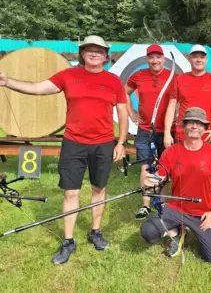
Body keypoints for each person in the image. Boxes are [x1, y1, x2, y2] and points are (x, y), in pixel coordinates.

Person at [0, 35, 128, 264]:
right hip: (73, 142)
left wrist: (120, 142)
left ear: (106, 55)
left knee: (99, 189)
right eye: (89, 49)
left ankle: (95, 232)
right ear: (82, 53)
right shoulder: (68, 75)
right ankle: (68, 240)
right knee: (71, 192)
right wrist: (8, 81)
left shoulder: (114, 81)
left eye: (99, 50)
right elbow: (38, 88)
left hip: (103, 143)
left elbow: (123, 112)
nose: (94, 53)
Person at [141, 107, 211, 263]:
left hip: (203, 213)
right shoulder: (170, 152)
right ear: (184, 126)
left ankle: (209, 228)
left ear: (205, 128)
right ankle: (177, 232)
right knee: (148, 231)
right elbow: (159, 178)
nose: (194, 126)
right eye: (190, 122)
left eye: (199, 123)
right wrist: (150, 181)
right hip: (176, 209)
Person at [124, 44, 177, 220]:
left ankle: (163, 202)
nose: (155, 61)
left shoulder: (173, 77)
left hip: (168, 131)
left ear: (163, 58)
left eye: (158, 57)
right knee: (146, 166)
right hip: (145, 129)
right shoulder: (138, 76)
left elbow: (181, 98)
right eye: (151, 57)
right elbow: (123, 93)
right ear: (147, 59)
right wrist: (131, 112)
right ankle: (145, 205)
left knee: (167, 167)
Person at [163, 44, 211, 148]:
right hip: (183, 135)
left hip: (207, 136)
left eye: (202, 57)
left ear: (206, 60)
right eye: (195, 57)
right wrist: (167, 133)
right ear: (190, 59)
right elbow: (171, 107)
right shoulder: (179, 79)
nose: (198, 60)